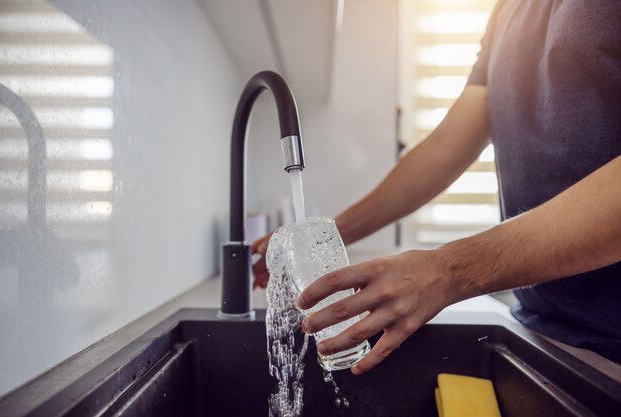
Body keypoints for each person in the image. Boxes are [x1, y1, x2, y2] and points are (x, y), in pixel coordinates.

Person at [252, 0, 621, 375]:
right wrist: (327, 238)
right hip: (544, 329)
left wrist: (447, 271)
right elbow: (445, 150)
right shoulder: (509, 9)